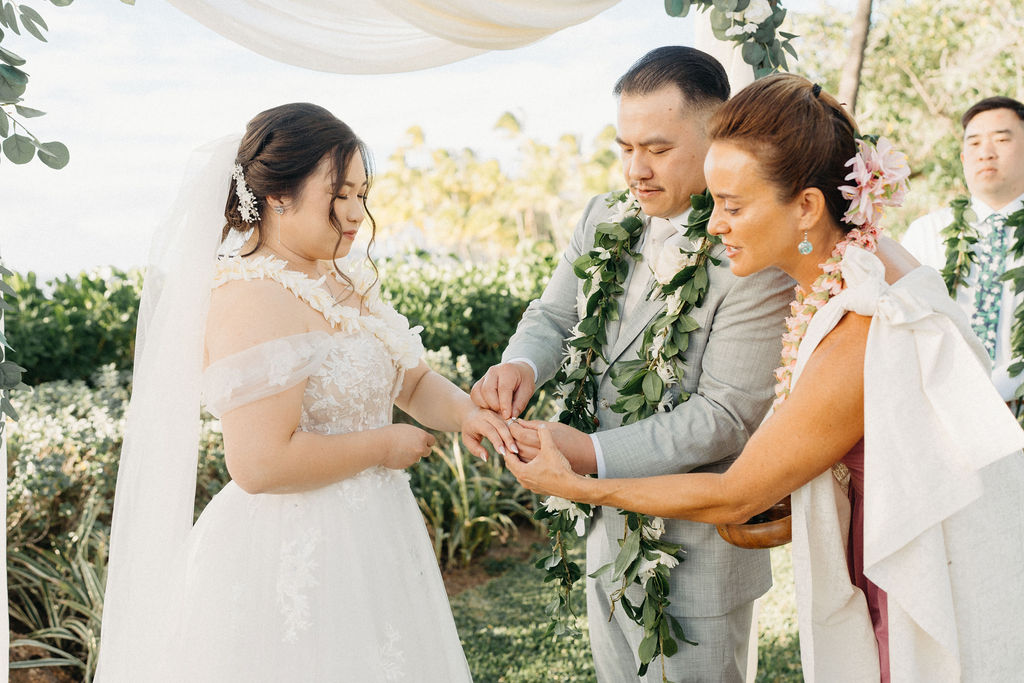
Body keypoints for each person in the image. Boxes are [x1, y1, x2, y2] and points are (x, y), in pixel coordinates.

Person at [503, 74, 1024, 683]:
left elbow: (737, 494)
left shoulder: (865, 320)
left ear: (806, 205)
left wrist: (577, 485)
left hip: (919, 576)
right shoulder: (864, 263)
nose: (715, 225)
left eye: (732, 205)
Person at [96, 103, 515, 681]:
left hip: (372, 537)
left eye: (362, 194)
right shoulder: (248, 296)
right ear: (277, 197)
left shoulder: (347, 279)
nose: (355, 213)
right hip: (289, 552)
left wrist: (469, 414)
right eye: (339, 194)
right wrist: (385, 446)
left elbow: (410, 380)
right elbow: (260, 463)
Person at [470, 47, 794, 682]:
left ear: (717, 131)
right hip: (603, 533)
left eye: (657, 148)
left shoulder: (754, 250)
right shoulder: (603, 216)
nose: (636, 170)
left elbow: (725, 416)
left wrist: (589, 452)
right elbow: (553, 317)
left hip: (698, 551)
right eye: (624, 148)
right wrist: (521, 368)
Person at [902, 96, 1024, 401]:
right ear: (962, 159)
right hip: (943, 414)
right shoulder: (926, 233)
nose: (986, 153)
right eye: (974, 143)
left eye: (1001, 139)